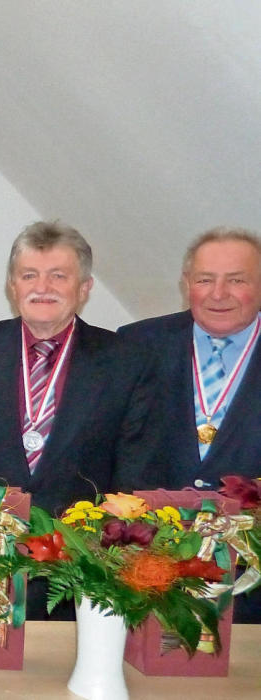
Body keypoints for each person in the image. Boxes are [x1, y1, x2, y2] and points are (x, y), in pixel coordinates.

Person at [0, 221, 146, 518]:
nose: (42, 288)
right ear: (12, 285)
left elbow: (131, 472)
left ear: (84, 287)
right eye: (29, 275)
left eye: (58, 276)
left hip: (80, 539)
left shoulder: (125, 360)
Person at [117, 228, 261, 623]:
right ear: (186, 284)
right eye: (205, 279)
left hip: (250, 586)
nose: (219, 294)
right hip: (147, 572)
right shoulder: (136, 344)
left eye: (237, 280)